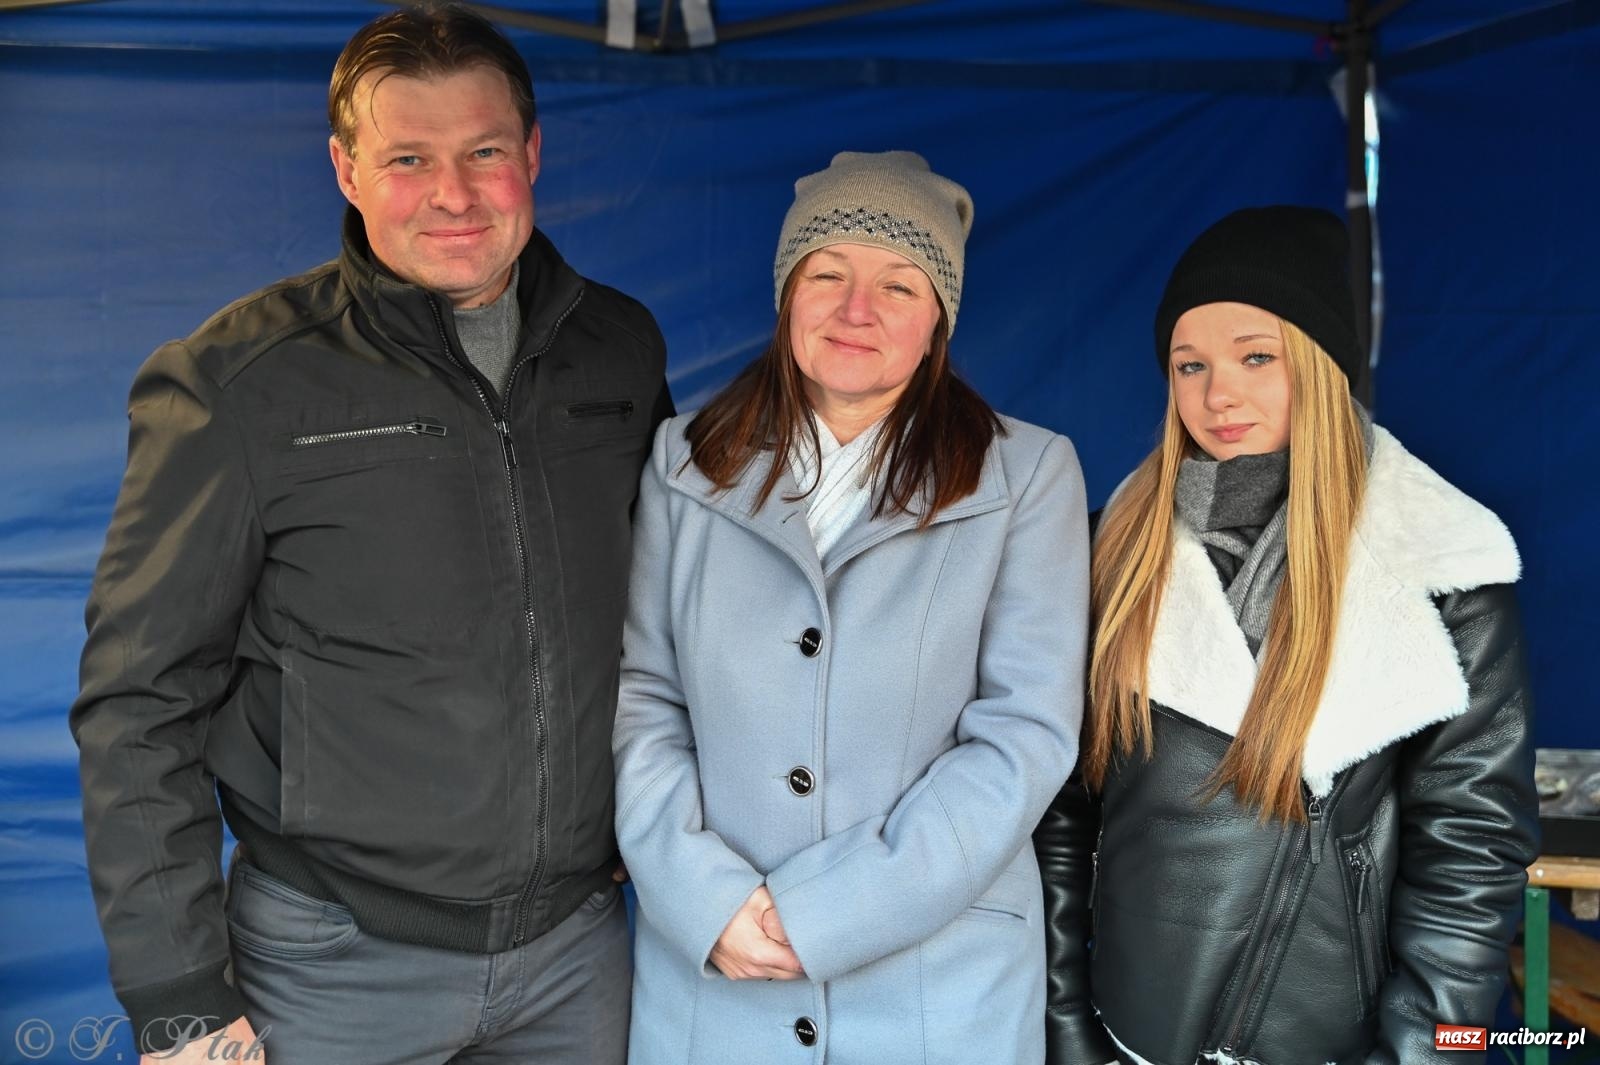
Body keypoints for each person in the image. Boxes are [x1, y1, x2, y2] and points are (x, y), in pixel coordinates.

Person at [69, 5, 671, 1062]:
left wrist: (658, 828)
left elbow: (674, 615)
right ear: (346, 169)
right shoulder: (238, 384)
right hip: (330, 966)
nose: (453, 194)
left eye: (485, 152)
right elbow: (139, 698)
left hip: (577, 958)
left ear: (532, 153)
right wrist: (180, 999)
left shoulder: (619, 350)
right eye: (408, 159)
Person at [612, 150, 1090, 1064]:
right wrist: (705, 901)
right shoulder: (683, 460)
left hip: (937, 993)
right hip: (719, 980)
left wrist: (828, 913)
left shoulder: (1026, 475)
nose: (856, 309)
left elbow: (1023, 735)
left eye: (898, 284)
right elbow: (647, 701)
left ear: (938, 318)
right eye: (827, 274)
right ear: (787, 294)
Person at [1034, 206, 1538, 1064]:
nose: (1217, 394)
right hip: (1128, 1041)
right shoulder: (1107, 555)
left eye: (1256, 356)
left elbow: (1471, 852)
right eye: (1190, 364)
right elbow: (1057, 817)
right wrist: (1069, 1031)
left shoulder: (1445, 567)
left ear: (1321, 362)